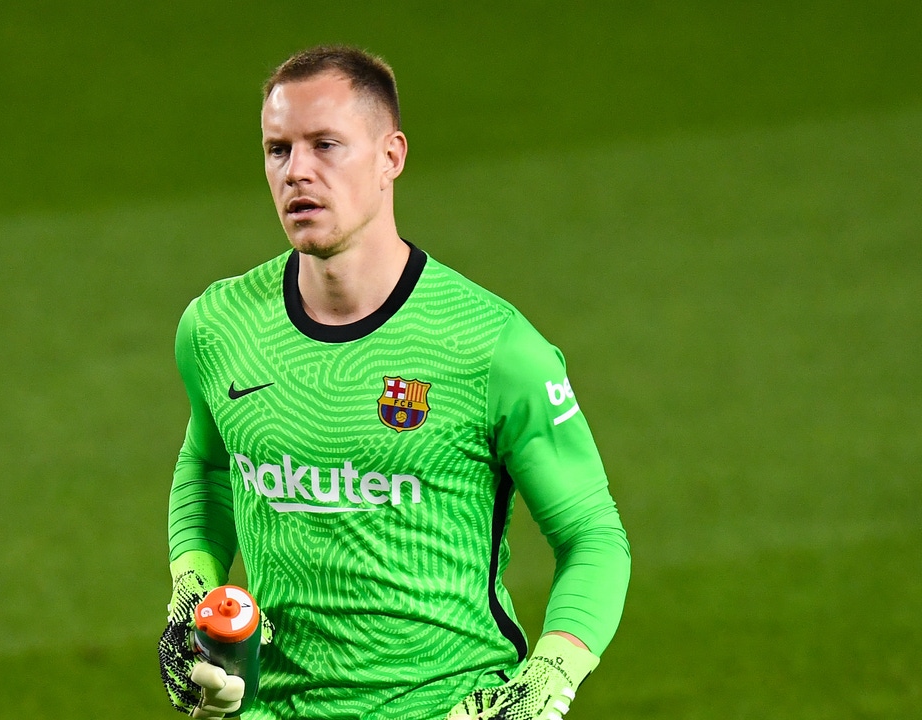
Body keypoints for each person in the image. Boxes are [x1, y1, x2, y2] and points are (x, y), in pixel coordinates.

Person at [158, 45, 631, 720]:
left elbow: (593, 535)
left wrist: (549, 678)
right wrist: (192, 589)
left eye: (325, 145)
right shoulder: (217, 326)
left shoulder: (493, 346)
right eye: (278, 149)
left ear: (391, 157)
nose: (297, 172)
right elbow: (208, 468)